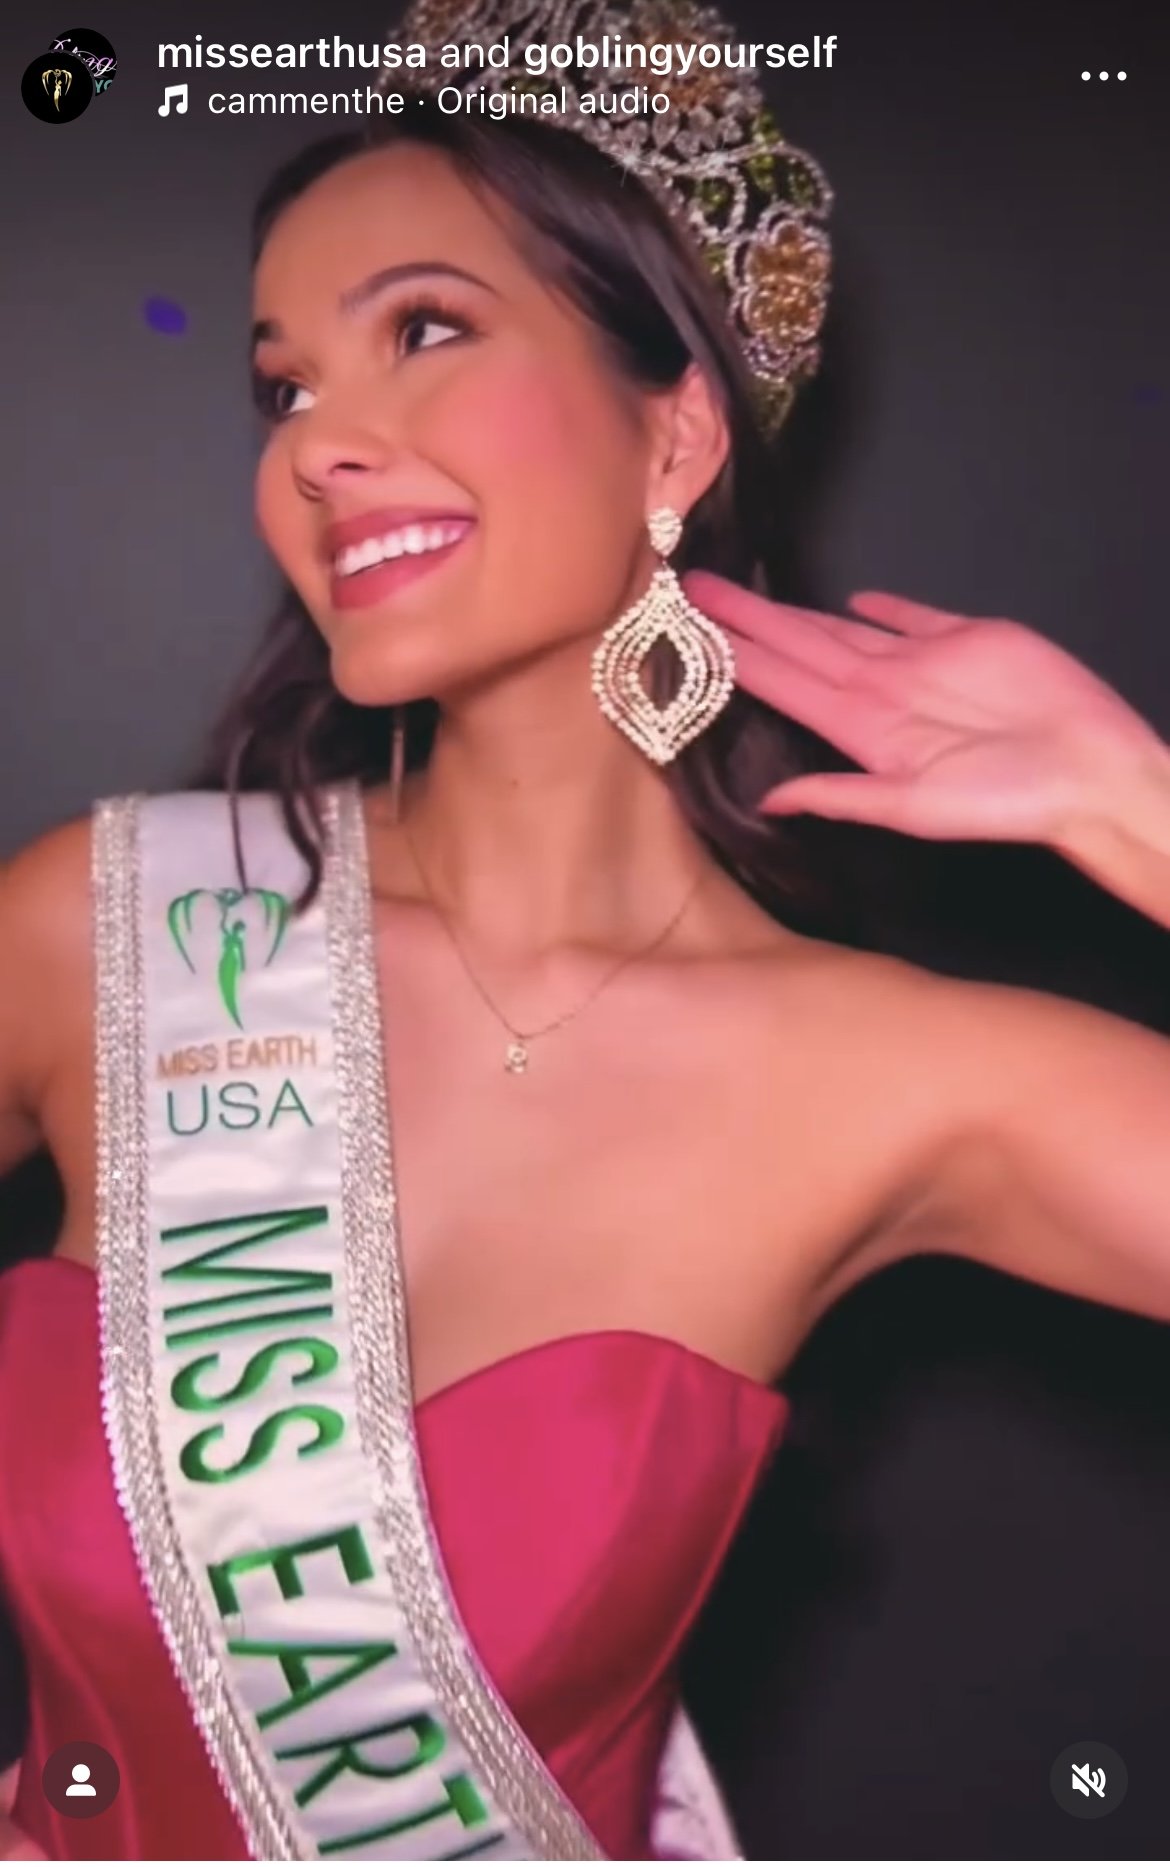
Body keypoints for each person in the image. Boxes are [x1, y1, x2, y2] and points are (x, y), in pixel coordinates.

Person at [2, 1, 1170, 1860]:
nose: (318, 445)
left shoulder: (891, 1075)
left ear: (676, 429)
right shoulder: (103, 930)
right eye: (283, 386)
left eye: (426, 332)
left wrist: (1141, 816)